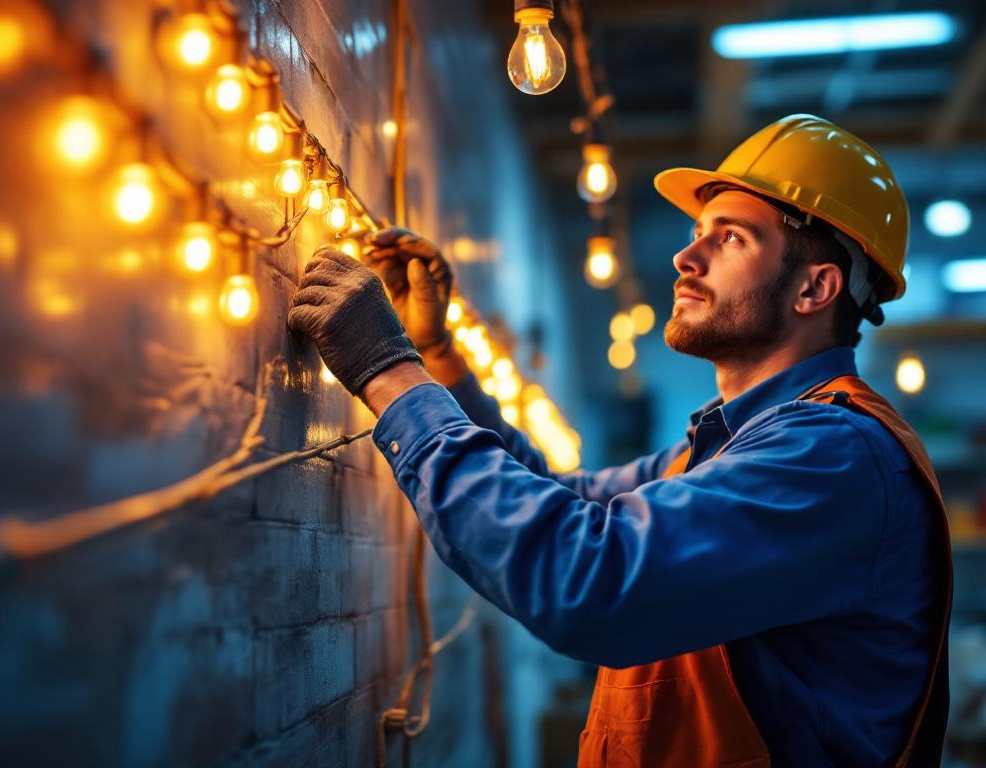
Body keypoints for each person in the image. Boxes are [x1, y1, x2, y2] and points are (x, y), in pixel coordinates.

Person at [287, 114, 952, 767]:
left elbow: (589, 578)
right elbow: (558, 496)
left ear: (814, 287)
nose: (686, 258)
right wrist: (436, 359)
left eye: (731, 238)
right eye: (697, 233)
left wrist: (391, 375)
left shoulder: (832, 455)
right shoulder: (727, 447)